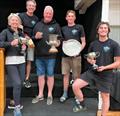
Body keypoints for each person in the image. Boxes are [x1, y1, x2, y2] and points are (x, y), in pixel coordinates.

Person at [72, 22, 120, 116]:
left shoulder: (114, 44)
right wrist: (90, 61)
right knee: (75, 85)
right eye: (101, 28)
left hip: (106, 74)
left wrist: (105, 67)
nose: (103, 29)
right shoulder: (93, 44)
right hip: (92, 72)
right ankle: (82, 104)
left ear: (108, 30)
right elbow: (89, 57)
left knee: (105, 97)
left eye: (105, 28)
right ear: (97, 30)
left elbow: (118, 63)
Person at [31, 5, 62, 105]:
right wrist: (35, 37)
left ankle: (49, 94)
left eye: (50, 13)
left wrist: (57, 43)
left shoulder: (56, 25)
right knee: (40, 75)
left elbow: (60, 39)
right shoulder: (37, 24)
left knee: (50, 75)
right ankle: (40, 94)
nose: (48, 15)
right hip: (39, 55)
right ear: (44, 14)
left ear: (52, 14)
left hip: (51, 56)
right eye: (46, 13)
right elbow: (32, 39)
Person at [0, 13, 27, 116]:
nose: (15, 22)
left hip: (21, 61)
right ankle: (16, 108)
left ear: (19, 23)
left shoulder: (21, 33)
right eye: (13, 20)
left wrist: (25, 47)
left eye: (17, 20)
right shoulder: (5, 32)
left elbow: (24, 45)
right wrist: (10, 43)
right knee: (17, 83)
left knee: (20, 82)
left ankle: (14, 102)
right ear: (9, 22)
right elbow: (0, 43)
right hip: (11, 62)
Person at [60, 10, 86, 103]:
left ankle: (77, 94)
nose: (70, 18)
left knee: (76, 76)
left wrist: (78, 51)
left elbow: (83, 42)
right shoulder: (63, 29)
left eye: (72, 16)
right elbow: (61, 42)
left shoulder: (79, 27)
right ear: (66, 18)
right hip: (65, 55)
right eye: (69, 16)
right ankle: (65, 93)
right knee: (66, 75)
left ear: (75, 17)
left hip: (76, 56)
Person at [19, 0, 39, 88]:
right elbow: (17, 28)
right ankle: (20, 79)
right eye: (29, 5)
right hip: (22, 41)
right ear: (26, 6)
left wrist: (33, 38)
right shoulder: (21, 15)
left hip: (31, 42)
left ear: (35, 8)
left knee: (29, 61)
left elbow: (35, 32)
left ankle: (27, 79)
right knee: (21, 60)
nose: (31, 7)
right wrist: (24, 36)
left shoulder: (36, 19)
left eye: (33, 6)